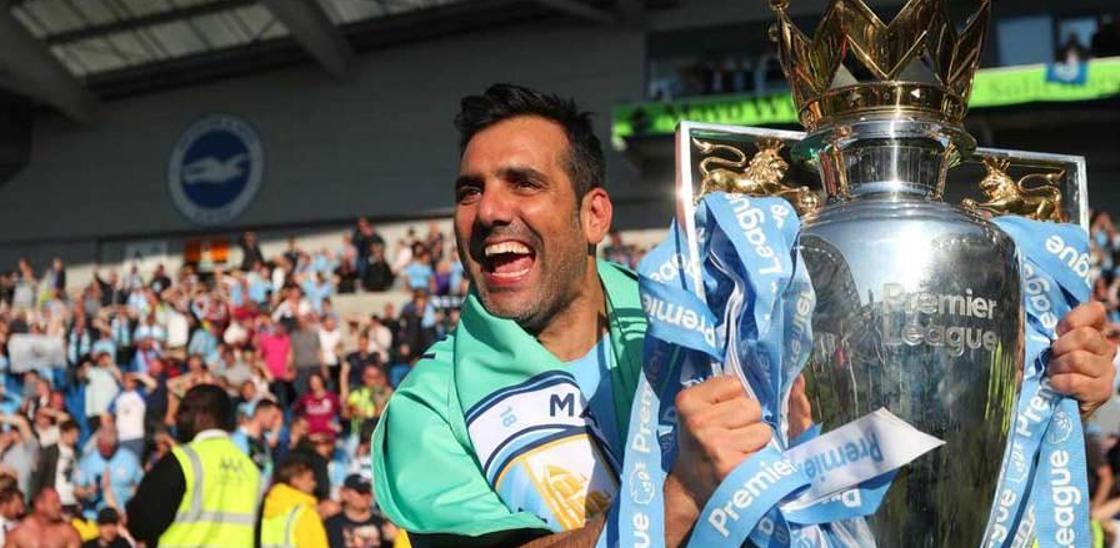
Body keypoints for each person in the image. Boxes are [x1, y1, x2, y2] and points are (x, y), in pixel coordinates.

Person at [371, 83, 1120, 545]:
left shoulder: (712, 307)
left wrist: (1037, 380)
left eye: (521, 183)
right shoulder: (427, 407)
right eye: (470, 190)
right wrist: (683, 499)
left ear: (595, 214)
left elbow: (890, 424)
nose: (489, 210)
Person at [126, 384, 260, 546]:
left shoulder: (182, 460)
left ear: (203, 415)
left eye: (184, 410)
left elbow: (141, 524)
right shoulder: (250, 468)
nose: (177, 418)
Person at [74, 424, 143, 520]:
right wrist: (87, 492)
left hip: (122, 516)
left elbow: (141, 484)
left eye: (109, 445)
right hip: (94, 516)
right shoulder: (87, 460)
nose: (105, 448)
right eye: (102, 445)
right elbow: (76, 490)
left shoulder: (130, 458)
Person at [258, 458, 328, 548]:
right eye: (310, 478)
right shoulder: (305, 514)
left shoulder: (263, 508)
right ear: (295, 480)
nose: (314, 484)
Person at [324, 475, 396, 548]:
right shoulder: (331, 524)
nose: (366, 496)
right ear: (345, 493)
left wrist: (390, 542)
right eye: (360, 492)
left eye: (368, 492)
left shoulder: (383, 525)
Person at [4, 487, 81, 548]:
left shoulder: (68, 534)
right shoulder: (18, 533)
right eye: (54, 502)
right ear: (39, 504)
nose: (59, 506)